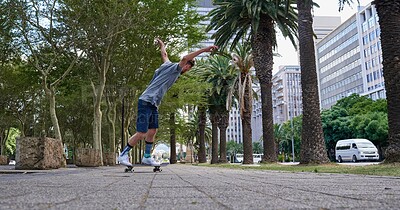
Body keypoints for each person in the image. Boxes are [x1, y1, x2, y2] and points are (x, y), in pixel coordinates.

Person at [118, 38, 218, 166]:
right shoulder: (176, 68)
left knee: (153, 130)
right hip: (146, 101)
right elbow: (184, 58)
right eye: (188, 68)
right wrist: (205, 49)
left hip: (153, 104)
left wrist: (162, 45)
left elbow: (164, 55)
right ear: (187, 66)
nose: (187, 71)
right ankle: (123, 154)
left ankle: (147, 157)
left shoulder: (167, 64)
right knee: (142, 132)